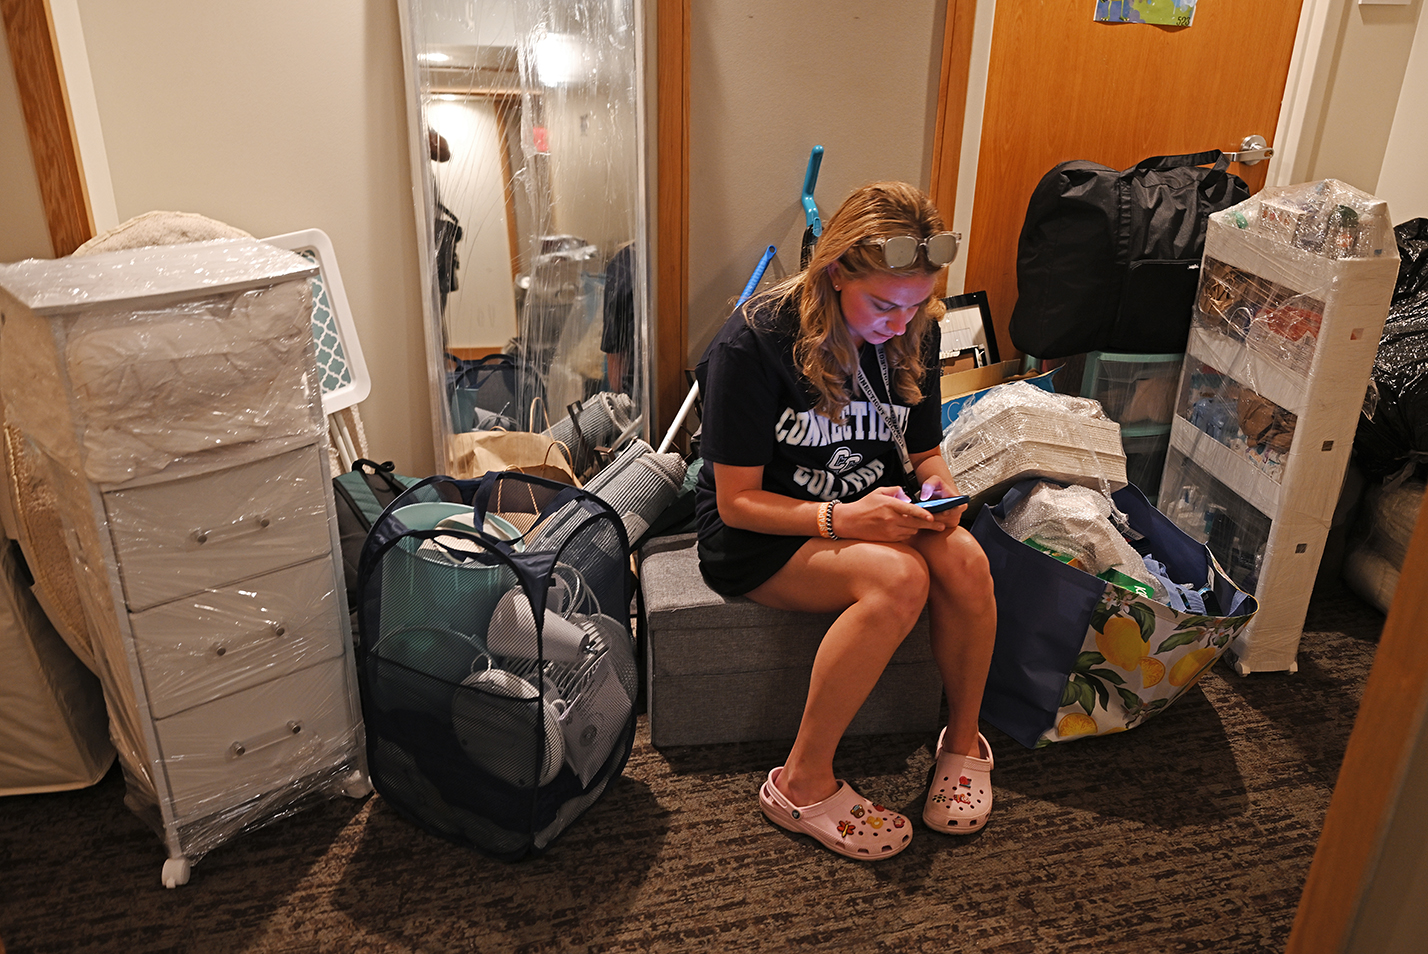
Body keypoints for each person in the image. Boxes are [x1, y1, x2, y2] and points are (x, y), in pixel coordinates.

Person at [694, 181, 997, 861]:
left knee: (967, 559)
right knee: (898, 581)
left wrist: (937, 486)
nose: (901, 322)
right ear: (835, 274)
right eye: (884, 305)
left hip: (872, 507)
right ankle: (800, 783)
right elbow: (736, 502)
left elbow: (921, 450)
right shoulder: (753, 343)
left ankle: (962, 743)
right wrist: (841, 520)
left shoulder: (916, 327)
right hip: (764, 532)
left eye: (919, 304)